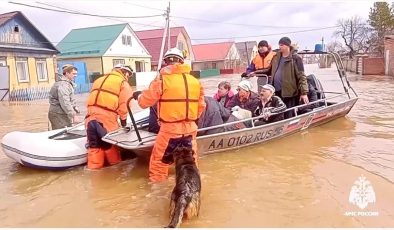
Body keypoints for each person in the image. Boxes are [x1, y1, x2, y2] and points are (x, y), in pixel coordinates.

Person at [133, 48, 206, 182]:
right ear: (182, 61)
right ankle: (193, 186)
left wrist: (138, 96)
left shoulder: (162, 80)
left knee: (159, 164)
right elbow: (201, 106)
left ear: (166, 62)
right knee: (191, 163)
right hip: (190, 128)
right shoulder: (195, 82)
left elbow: (144, 102)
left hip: (170, 130)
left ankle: (158, 192)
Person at [84, 64, 134, 169]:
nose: (128, 78)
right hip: (107, 120)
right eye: (128, 75)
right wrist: (124, 123)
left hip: (89, 118)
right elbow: (125, 105)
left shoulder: (99, 80)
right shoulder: (123, 83)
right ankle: (115, 172)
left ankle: (94, 173)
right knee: (111, 146)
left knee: (94, 147)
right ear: (124, 73)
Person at [270, 37, 309, 119]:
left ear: (288, 46)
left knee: (289, 115)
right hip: (276, 91)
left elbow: (302, 76)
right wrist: (254, 73)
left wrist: (304, 93)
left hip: (290, 92)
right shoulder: (276, 57)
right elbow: (269, 70)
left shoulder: (296, 58)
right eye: (279, 45)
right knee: (277, 114)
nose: (280, 47)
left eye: (282, 45)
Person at [48, 64, 80, 130]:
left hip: (62, 113)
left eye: (76, 74)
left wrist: (74, 107)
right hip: (58, 114)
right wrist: (73, 115)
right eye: (73, 74)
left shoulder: (67, 83)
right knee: (62, 133)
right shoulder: (63, 85)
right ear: (67, 73)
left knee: (67, 131)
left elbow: (69, 99)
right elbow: (65, 102)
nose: (75, 76)